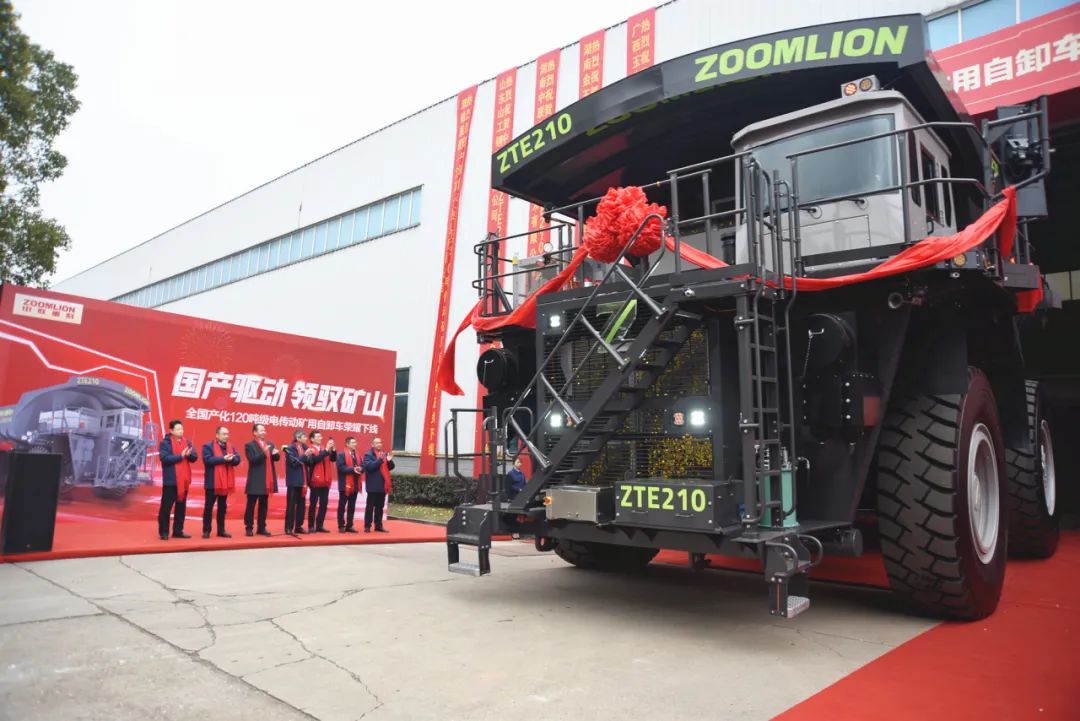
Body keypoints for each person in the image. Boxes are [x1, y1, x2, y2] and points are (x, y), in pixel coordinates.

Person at [157, 419, 197, 540]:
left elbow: (194, 458)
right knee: (166, 507)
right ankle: (164, 532)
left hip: (184, 480)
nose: (181, 431)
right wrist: (180, 456)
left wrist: (189, 455)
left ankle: (178, 531)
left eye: (182, 429)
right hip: (171, 480)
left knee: (181, 507)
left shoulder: (187, 442)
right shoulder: (165, 443)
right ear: (171, 431)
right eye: (178, 429)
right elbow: (164, 458)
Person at [201, 426, 241, 538]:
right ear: (217, 435)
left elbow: (238, 459)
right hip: (212, 482)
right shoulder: (208, 446)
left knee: (222, 507)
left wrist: (232, 459)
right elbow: (207, 460)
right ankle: (206, 530)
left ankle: (221, 530)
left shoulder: (230, 446)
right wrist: (223, 459)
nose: (226, 436)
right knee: (209, 507)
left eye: (227, 434)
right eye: (224, 434)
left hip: (225, 482)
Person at [243, 423, 279, 537]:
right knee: (251, 505)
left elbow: (275, 459)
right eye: (261, 430)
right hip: (255, 479)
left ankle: (261, 527)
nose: (264, 432)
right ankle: (249, 527)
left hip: (266, 480)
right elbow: (252, 460)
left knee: (264, 505)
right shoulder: (249, 445)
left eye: (264, 430)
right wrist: (264, 452)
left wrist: (276, 454)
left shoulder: (270, 444)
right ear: (254, 432)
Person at [305, 430, 336, 533]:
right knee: (313, 504)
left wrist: (333, 450)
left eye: (321, 436)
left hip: (325, 480)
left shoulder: (324, 449)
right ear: (312, 439)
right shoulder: (310, 449)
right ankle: (311, 526)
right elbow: (314, 460)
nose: (320, 438)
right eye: (318, 437)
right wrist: (326, 450)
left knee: (323, 504)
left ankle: (320, 525)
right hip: (315, 480)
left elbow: (332, 459)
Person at [362, 437, 394, 533]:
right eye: (377, 443)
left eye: (380, 442)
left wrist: (389, 460)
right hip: (372, 486)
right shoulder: (368, 455)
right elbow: (370, 467)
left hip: (382, 485)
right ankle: (367, 526)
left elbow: (391, 467)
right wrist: (380, 459)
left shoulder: (384, 454)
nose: (379, 444)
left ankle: (378, 526)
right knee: (370, 507)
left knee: (380, 507)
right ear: (372, 445)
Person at [283, 430, 312, 536]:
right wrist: (305, 455)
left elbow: (308, 463)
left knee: (301, 506)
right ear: (298, 438)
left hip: (303, 481)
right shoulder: (290, 448)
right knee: (291, 505)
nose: (306, 439)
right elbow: (294, 462)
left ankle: (298, 526)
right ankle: (288, 528)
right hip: (294, 481)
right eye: (304, 437)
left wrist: (309, 456)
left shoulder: (304, 447)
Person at [336, 436, 362, 533]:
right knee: (342, 506)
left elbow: (362, 465)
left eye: (355, 442)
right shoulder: (341, 455)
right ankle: (341, 525)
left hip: (355, 484)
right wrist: (353, 469)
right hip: (345, 485)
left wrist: (361, 469)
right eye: (352, 442)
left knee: (352, 506)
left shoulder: (357, 455)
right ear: (347, 444)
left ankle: (349, 525)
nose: (355, 444)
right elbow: (341, 468)